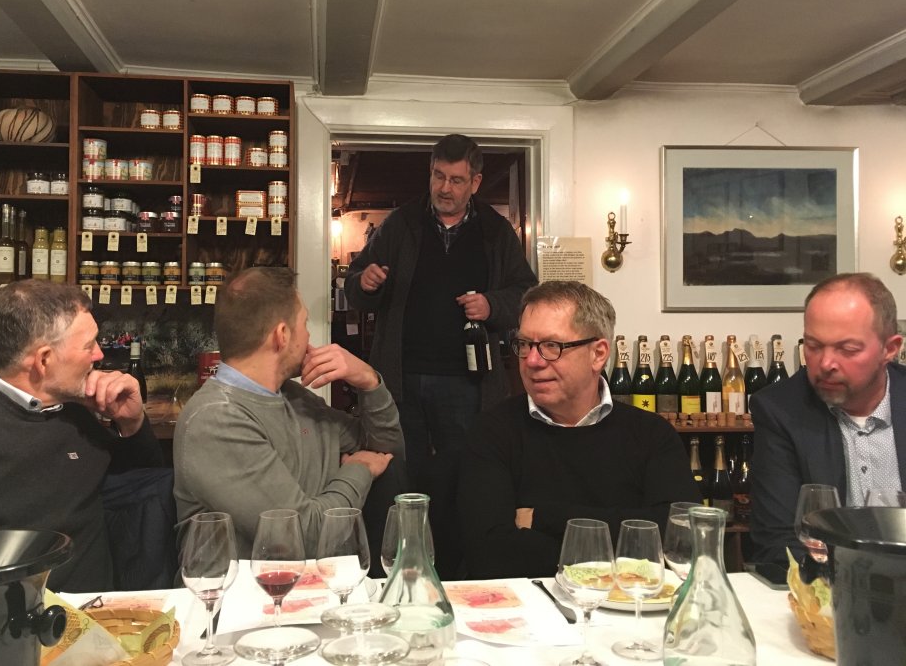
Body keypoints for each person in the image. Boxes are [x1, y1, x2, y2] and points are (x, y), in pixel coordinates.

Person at [344, 133, 537, 577]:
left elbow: (526, 294)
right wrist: (365, 282)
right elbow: (356, 283)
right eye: (438, 176)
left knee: (463, 476)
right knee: (401, 477)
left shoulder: (495, 231)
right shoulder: (401, 224)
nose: (444, 188)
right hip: (401, 378)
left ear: (475, 182)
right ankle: (400, 567)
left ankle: (456, 570)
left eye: (456, 180)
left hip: (468, 383)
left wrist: (492, 305)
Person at [0, 280, 162, 592]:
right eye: (89, 345)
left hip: (98, 616)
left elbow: (142, 492)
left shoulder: (78, 414)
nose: (99, 354)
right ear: (43, 360)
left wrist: (132, 422)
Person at [458, 281, 702, 579]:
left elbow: (681, 538)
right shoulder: (492, 431)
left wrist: (544, 517)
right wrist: (625, 542)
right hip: (528, 605)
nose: (532, 361)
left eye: (552, 346)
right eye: (524, 344)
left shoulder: (652, 434)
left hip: (628, 604)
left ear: (598, 354)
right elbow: (488, 553)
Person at [173, 266, 405, 558]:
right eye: (305, 324)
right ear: (282, 335)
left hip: (324, 580)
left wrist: (368, 380)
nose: (309, 338)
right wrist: (358, 470)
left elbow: (387, 451)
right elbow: (302, 537)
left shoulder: (293, 397)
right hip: (244, 587)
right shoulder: (216, 419)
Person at [750, 272, 906, 565]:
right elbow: (776, 543)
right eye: (813, 346)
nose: (826, 363)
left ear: (889, 349)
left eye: (848, 349)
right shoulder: (780, 410)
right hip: (827, 586)